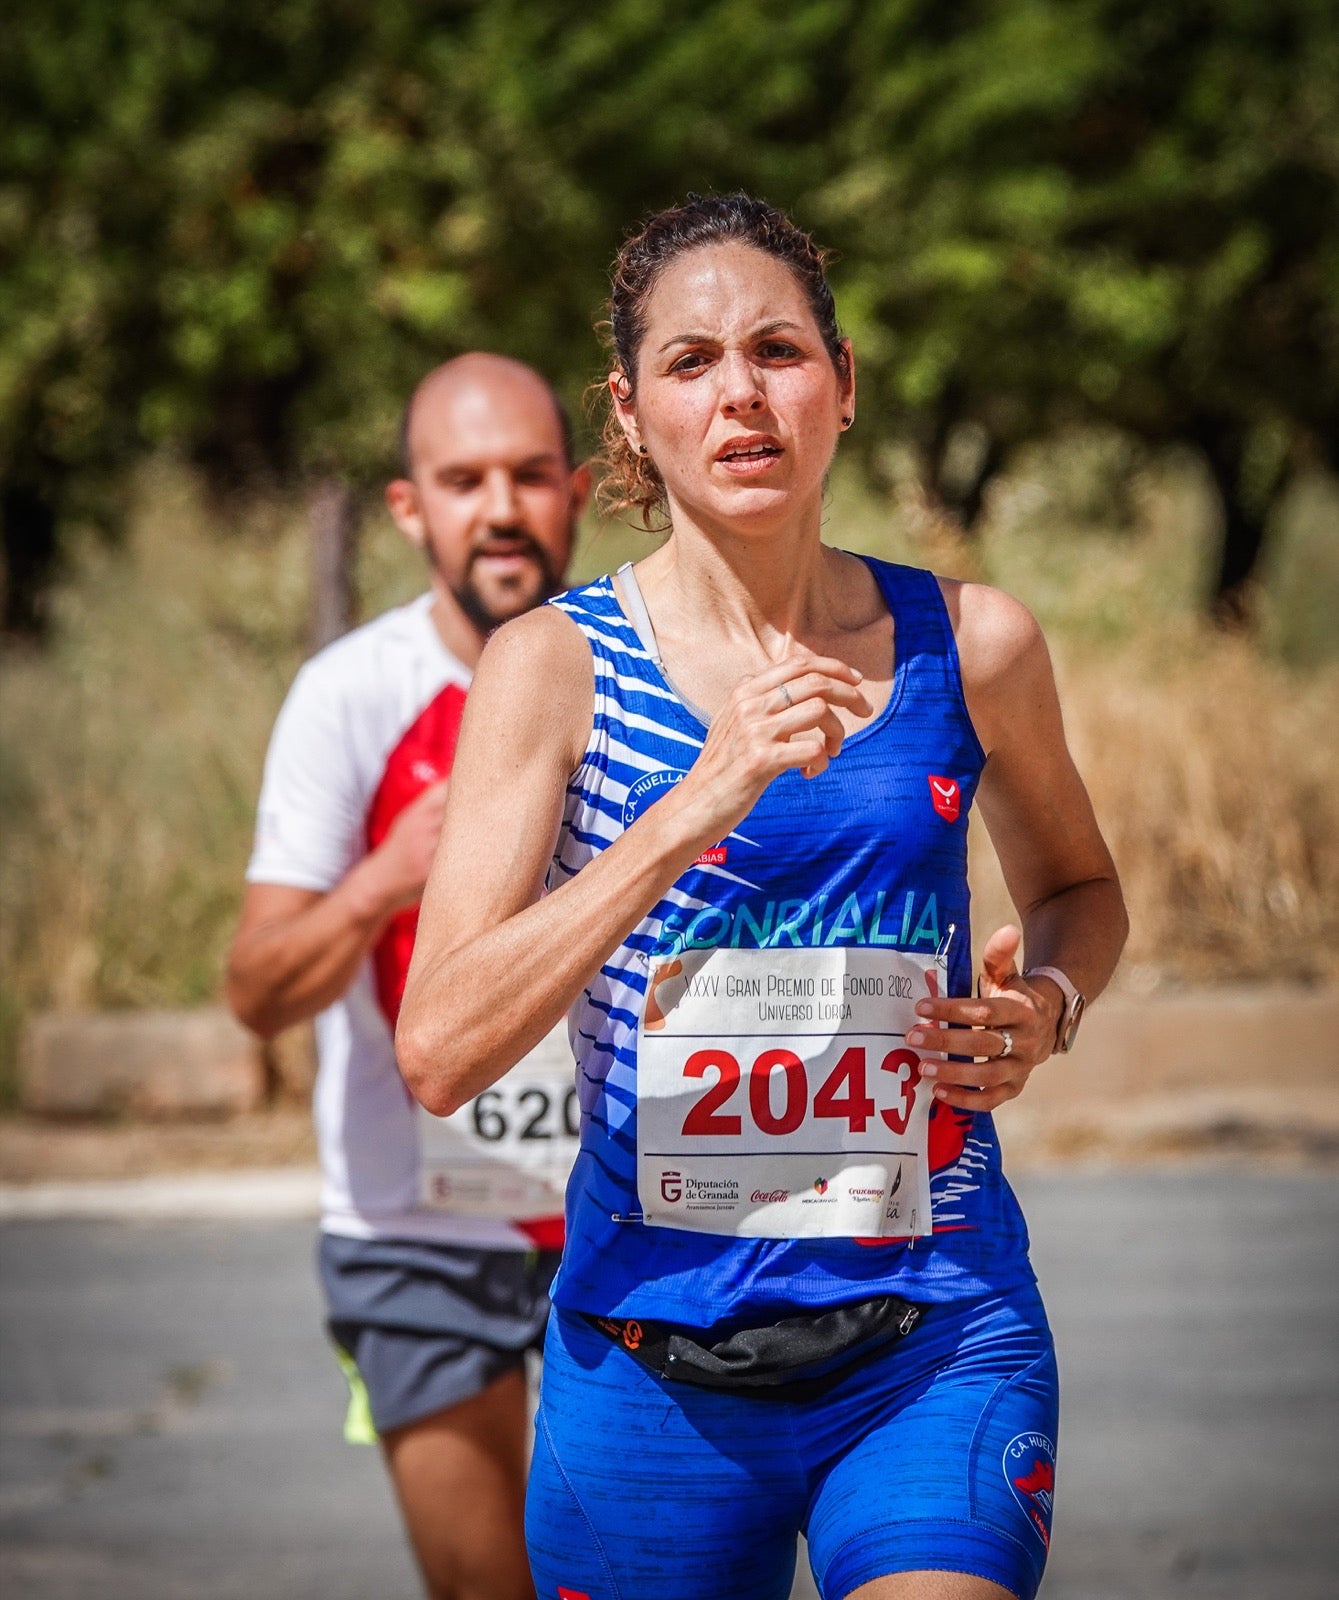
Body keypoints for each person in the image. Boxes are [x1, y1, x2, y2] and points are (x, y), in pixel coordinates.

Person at [397, 196, 1128, 1600]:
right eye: (688, 363)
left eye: (778, 351)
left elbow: (1080, 889)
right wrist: (690, 806)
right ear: (629, 415)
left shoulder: (971, 645)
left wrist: (1045, 1004)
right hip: (649, 1365)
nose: (740, 393)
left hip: (935, 1331)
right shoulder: (551, 670)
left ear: (840, 388)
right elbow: (439, 1048)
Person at [226, 353, 590, 1600]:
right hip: (413, 1233)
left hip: (629, 1211)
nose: (501, 507)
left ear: (579, 490)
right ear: (409, 509)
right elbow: (257, 991)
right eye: (464, 479)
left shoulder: (641, 671)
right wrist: (387, 875)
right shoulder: (348, 697)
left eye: (530, 475)